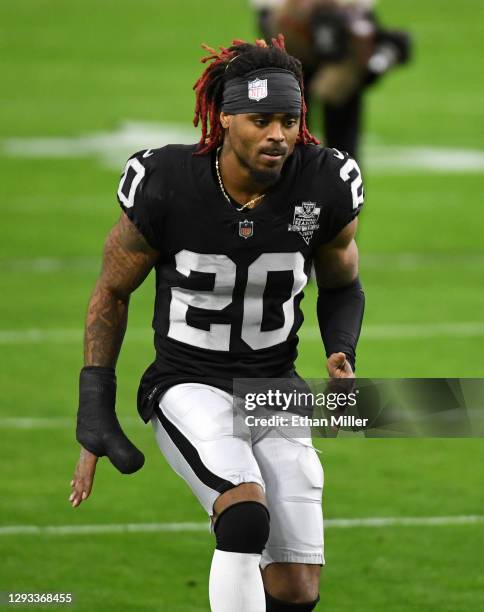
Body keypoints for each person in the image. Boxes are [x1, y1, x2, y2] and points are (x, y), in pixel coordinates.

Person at [70, 35, 365, 611]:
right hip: (188, 382)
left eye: (289, 119)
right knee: (243, 516)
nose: (278, 135)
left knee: (296, 588)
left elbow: (342, 284)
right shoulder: (167, 182)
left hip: (275, 389)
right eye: (261, 119)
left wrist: (341, 348)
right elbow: (111, 290)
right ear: (225, 117)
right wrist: (94, 402)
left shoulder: (324, 183)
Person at [251, 0, 412, 160]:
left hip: (341, 34)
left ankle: (335, 176)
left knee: (335, 118)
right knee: (290, 131)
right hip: (294, 28)